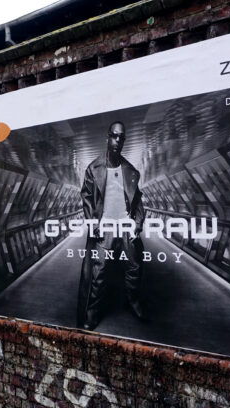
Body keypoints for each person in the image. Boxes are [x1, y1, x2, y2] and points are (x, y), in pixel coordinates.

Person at [76, 121, 147, 331]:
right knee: (99, 273)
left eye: (121, 137)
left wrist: (137, 224)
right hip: (105, 226)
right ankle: (92, 314)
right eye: (114, 136)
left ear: (124, 140)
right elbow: (86, 198)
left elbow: (138, 202)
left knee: (134, 267)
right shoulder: (93, 169)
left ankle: (133, 302)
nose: (117, 141)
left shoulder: (130, 170)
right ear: (108, 137)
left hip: (125, 226)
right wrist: (93, 224)